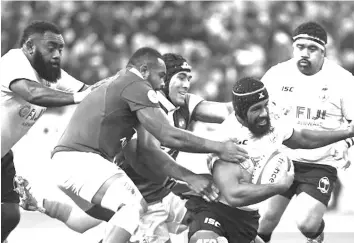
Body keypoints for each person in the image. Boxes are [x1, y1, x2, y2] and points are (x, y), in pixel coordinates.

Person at [49, 47, 248, 243]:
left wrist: (263, 98)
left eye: (189, 79)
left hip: (148, 190)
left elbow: (226, 111)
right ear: (147, 72)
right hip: (138, 190)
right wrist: (211, 156)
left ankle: (40, 202)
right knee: (132, 208)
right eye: (177, 77)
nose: (186, 84)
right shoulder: (138, 90)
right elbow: (155, 146)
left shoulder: (168, 99)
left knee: (217, 219)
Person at [185, 77, 354, 243]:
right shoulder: (228, 138)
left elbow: (302, 139)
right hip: (215, 213)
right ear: (239, 111)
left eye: (265, 105)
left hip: (247, 220)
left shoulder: (272, 120)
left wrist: (347, 133)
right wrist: (279, 187)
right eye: (256, 109)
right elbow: (234, 195)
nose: (264, 113)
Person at [257, 21, 354, 243]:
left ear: (324, 51)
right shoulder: (276, 75)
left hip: (320, 163)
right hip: (280, 159)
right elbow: (254, 113)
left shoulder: (343, 81)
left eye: (312, 49)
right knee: (262, 222)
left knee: (306, 223)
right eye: (300, 47)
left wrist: (344, 144)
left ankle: (316, 234)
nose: (304, 53)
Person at [0, 20, 97, 243]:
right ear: (30, 46)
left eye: (60, 49)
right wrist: (76, 98)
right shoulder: (13, 61)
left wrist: (122, 87)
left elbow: (90, 92)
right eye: (51, 48)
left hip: (3, 154)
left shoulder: (52, 75)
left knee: (9, 216)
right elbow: (32, 93)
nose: (57, 54)